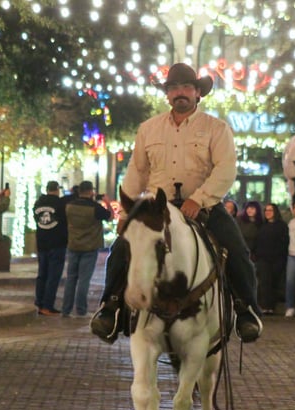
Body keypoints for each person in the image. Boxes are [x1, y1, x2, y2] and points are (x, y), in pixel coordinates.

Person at [90, 62, 263, 344]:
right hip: (157, 208)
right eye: (173, 88)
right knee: (121, 248)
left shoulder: (216, 128)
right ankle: (110, 308)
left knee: (236, 250)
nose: (179, 92)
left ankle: (246, 311)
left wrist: (199, 199)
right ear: (167, 94)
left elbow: (225, 169)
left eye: (186, 87)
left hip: (204, 206)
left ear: (197, 93)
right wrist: (125, 214)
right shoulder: (148, 129)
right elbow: (137, 172)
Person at [62, 181, 112, 318]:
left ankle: (66, 309)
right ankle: (81, 309)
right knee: (84, 279)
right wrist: (107, 202)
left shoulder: (69, 206)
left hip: (73, 245)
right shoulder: (95, 207)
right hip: (89, 247)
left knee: (71, 278)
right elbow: (110, 217)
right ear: (91, 191)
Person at [33, 180, 68, 316]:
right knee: (53, 276)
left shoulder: (38, 203)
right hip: (57, 243)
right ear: (57, 190)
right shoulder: (60, 204)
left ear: (47, 189)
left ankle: (39, 303)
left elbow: (37, 219)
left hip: (42, 243)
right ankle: (47, 306)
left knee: (42, 274)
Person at [255, 203, 288, 314]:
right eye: (266, 210)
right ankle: (265, 306)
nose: (267, 212)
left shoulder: (282, 226)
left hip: (277, 259)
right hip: (263, 259)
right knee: (264, 283)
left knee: (274, 283)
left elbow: (284, 242)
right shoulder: (262, 226)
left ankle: (271, 307)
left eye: (270, 210)